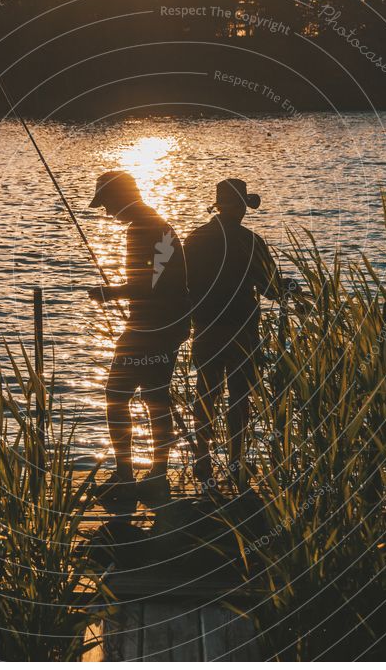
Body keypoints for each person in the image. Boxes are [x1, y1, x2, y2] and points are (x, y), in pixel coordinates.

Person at [184, 178, 301, 488]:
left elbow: (184, 286)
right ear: (239, 208)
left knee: (205, 393)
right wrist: (293, 289)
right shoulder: (250, 242)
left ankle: (203, 460)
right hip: (242, 331)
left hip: (206, 328)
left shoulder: (194, 239)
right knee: (240, 396)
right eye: (243, 207)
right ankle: (236, 462)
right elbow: (271, 289)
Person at [88, 170, 190, 505]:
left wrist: (110, 292)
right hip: (168, 326)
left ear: (122, 196)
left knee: (115, 395)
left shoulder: (141, 230)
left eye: (107, 202)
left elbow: (150, 285)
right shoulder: (159, 224)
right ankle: (158, 475)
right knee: (156, 398)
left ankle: (126, 476)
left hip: (150, 328)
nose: (105, 211)